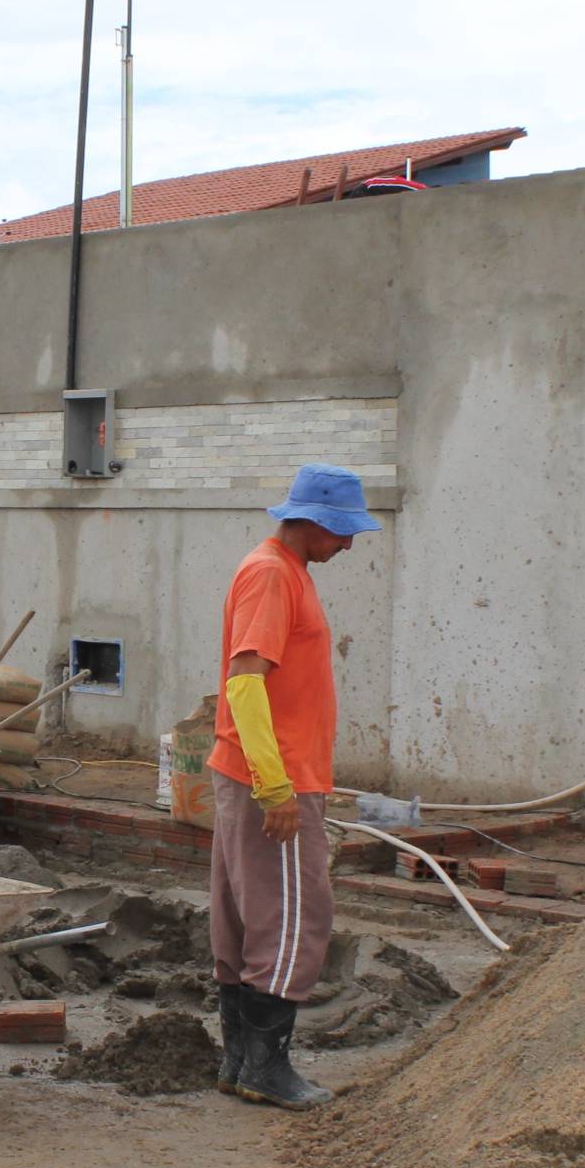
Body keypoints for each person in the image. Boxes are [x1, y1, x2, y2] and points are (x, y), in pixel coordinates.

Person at [207, 464, 381, 1109]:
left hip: (255, 773)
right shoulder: (274, 574)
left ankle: (238, 1062)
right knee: (293, 920)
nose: (349, 545)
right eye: (344, 533)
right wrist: (275, 787)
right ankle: (266, 1070)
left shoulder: (281, 570)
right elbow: (246, 682)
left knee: (248, 919)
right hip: (271, 779)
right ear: (318, 522)